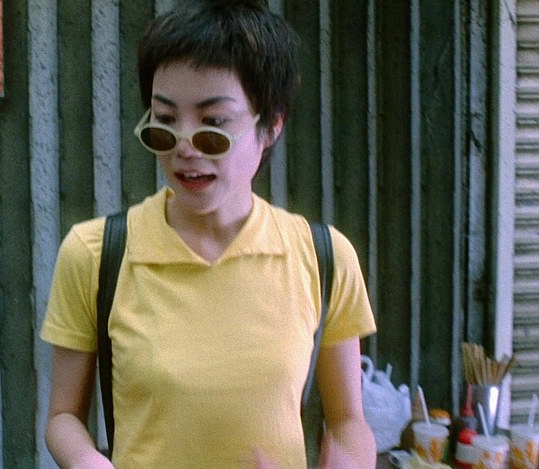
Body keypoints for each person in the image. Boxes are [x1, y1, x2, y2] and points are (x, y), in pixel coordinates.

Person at [41, 1, 377, 467]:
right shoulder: (96, 255)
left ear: (271, 126)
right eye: (165, 120)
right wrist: (85, 460)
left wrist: (350, 460)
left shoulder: (324, 257)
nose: (184, 146)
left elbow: (348, 421)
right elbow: (63, 416)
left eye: (213, 123)